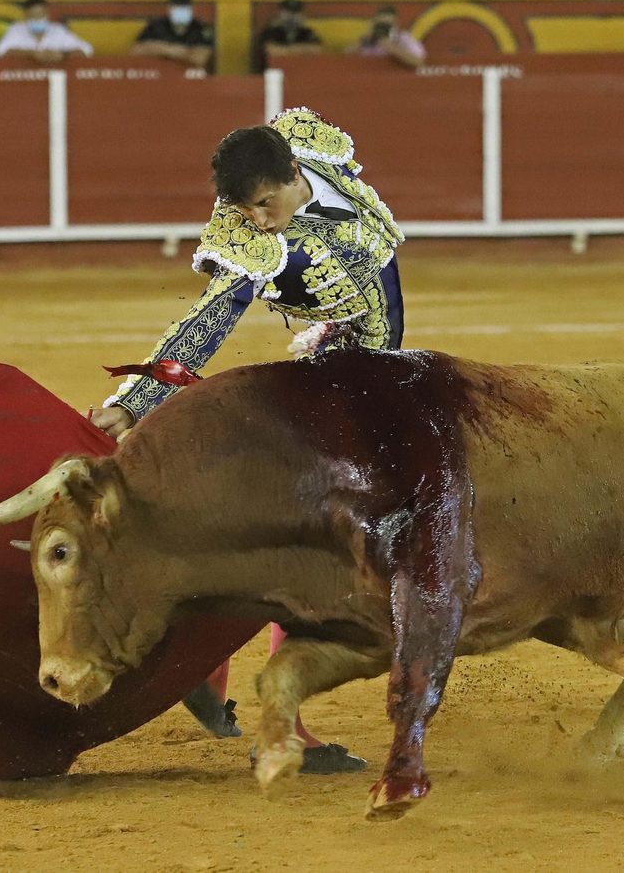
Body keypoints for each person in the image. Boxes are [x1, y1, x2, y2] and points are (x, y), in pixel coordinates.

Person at [89, 108, 406, 775]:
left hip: (367, 371)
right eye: (244, 210)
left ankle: (210, 673)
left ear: (293, 173)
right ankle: (278, 720)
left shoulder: (312, 145)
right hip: (333, 385)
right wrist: (136, 401)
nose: (258, 221)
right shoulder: (249, 237)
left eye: (265, 204)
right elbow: (208, 319)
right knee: (316, 543)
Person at [0, 0, 93, 63]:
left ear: (47, 14)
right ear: (26, 15)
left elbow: (86, 50)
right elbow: (1, 52)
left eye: (41, 14)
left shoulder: (58, 31)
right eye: (34, 15)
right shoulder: (16, 30)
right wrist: (32, 54)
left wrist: (63, 54)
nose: (38, 18)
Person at [131, 0, 214, 70]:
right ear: (169, 8)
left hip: (189, 76)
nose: (180, 11)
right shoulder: (155, 26)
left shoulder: (202, 29)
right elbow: (135, 51)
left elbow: (200, 59)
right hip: (159, 72)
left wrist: (157, 49)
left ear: (192, 9)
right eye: (176, 7)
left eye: (184, 7)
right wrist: (179, 51)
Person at [345, 5, 425, 70]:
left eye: (387, 25)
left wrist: (391, 48)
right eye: (381, 25)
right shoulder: (369, 40)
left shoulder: (403, 38)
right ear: (375, 22)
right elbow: (343, 59)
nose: (383, 28)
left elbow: (419, 62)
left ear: (395, 24)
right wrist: (362, 41)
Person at [257, 0, 321, 69]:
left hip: (302, 69)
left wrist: (285, 50)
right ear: (279, 14)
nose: (291, 16)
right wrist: (302, 50)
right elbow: (271, 51)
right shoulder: (271, 31)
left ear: (302, 15)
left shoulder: (307, 32)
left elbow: (317, 50)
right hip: (275, 71)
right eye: (287, 12)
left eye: (295, 13)